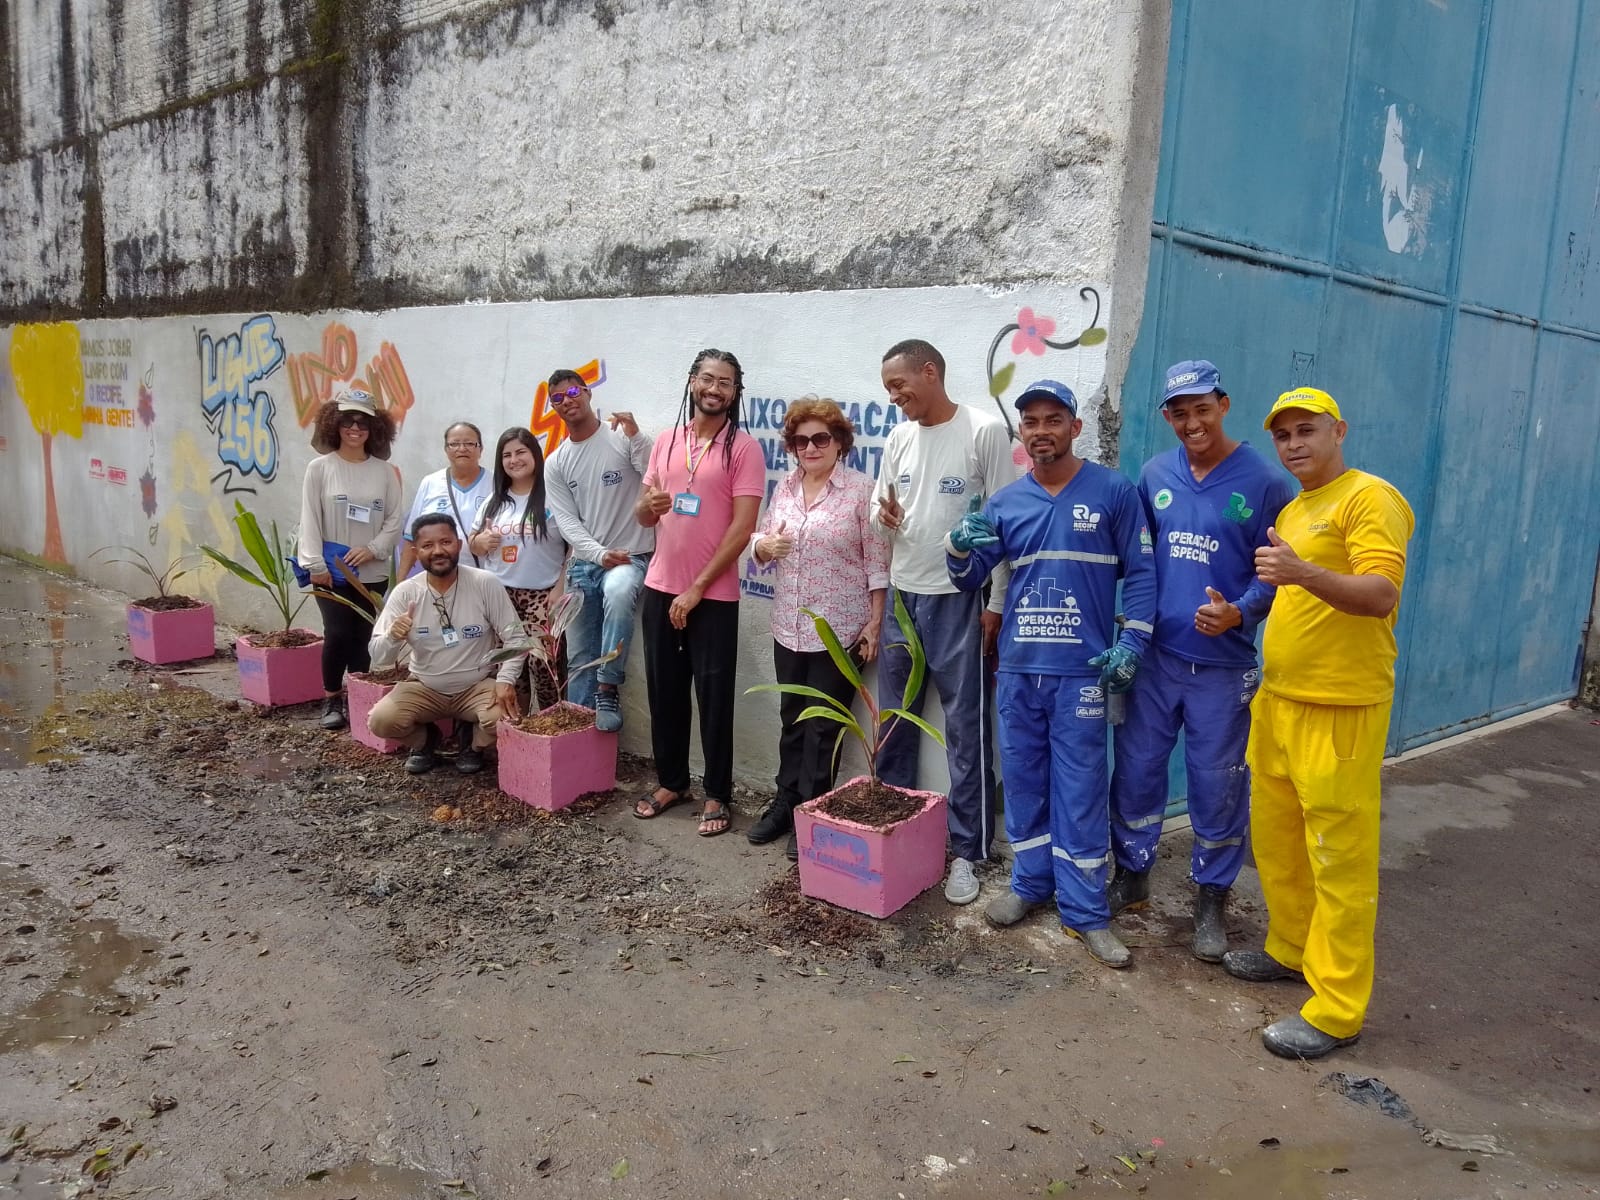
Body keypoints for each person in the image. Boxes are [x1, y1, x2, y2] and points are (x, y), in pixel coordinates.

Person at [1222, 388, 1414, 1059]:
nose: (1294, 444)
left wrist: (1302, 571)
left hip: (1339, 708)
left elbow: (1381, 592)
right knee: (1279, 843)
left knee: (1339, 859)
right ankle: (1292, 949)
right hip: (1280, 703)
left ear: (1338, 430)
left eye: (1307, 431)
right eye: (1283, 436)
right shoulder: (1299, 508)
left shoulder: (1369, 498)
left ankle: (1337, 1009)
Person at [945, 379, 1156, 967]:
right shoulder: (1007, 502)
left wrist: (1132, 642)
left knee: (1082, 791)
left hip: (1082, 674)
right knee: (1026, 783)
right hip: (1017, 669)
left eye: (1053, 419)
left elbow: (1141, 574)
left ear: (1074, 428)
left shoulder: (1113, 491)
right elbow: (968, 579)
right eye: (1031, 421)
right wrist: (961, 549)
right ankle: (1029, 885)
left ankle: (1087, 912)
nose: (1042, 430)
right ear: (1024, 434)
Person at [1106, 360, 1296, 961]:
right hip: (1159, 659)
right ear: (1167, 416)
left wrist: (1240, 611)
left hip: (1222, 666)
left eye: (1202, 408)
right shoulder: (1155, 473)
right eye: (1179, 411)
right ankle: (1132, 873)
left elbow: (1278, 571)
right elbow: (1140, 559)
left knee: (1217, 784)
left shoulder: (1266, 483)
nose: (1192, 421)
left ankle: (1210, 896)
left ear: (1224, 404)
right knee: (1137, 771)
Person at [871, 339, 1014, 905]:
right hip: (905, 597)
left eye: (899, 384)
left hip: (960, 600)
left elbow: (1003, 527)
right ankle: (897, 832)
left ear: (930, 372)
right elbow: (880, 519)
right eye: (887, 388)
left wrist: (995, 603)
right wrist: (883, 518)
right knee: (895, 722)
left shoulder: (983, 431)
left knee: (966, 730)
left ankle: (968, 853)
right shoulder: (898, 438)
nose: (894, 396)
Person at [747, 396, 889, 860]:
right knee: (792, 719)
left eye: (820, 438)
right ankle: (785, 801)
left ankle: (813, 812)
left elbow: (877, 563)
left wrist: (874, 622)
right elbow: (761, 543)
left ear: (840, 443)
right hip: (788, 623)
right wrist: (763, 546)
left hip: (839, 629)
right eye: (801, 440)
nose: (810, 447)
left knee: (824, 727)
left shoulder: (860, 491)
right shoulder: (785, 488)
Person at [631, 349, 764, 838]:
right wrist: (646, 505)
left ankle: (717, 793)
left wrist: (698, 588)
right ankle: (671, 783)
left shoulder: (744, 449)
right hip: (660, 586)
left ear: (735, 392)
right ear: (691, 382)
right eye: (707, 379)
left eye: (725, 382)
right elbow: (644, 516)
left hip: (714, 595)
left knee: (714, 697)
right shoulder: (666, 442)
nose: (715, 388)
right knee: (664, 691)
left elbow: (744, 525)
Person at [366, 514, 526, 775]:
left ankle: (471, 746)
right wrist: (393, 636)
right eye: (428, 546)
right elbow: (378, 656)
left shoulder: (484, 583)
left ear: (459, 545)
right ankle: (427, 742)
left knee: (506, 719)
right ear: (416, 553)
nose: (438, 551)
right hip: (425, 687)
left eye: (445, 542)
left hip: (476, 686)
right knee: (382, 721)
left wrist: (505, 680)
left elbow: (516, 638)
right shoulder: (405, 592)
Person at [543, 369, 654, 732]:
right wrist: (598, 554)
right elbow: (568, 523)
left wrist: (636, 435)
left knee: (620, 592)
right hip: (584, 565)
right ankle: (577, 734)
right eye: (557, 398)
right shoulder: (556, 462)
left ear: (587, 392)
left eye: (572, 391)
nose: (566, 401)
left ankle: (608, 685)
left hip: (631, 556)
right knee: (578, 657)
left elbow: (652, 473)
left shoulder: (621, 438)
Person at [299, 387, 402, 731]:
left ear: (375, 429)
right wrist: (315, 565)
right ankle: (331, 698)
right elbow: (309, 518)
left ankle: (358, 697)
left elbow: (393, 520)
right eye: (348, 421)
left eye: (363, 422)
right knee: (337, 632)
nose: (355, 429)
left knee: (364, 637)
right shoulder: (319, 468)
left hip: (371, 571)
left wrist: (373, 548)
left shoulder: (385, 472)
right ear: (335, 424)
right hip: (332, 572)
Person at [468, 428, 569, 713]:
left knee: (544, 663)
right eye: (507, 455)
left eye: (521, 452)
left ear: (535, 455)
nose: (514, 460)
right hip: (501, 595)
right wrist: (480, 542)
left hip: (543, 595)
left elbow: (572, 545)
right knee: (511, 665)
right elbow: (473, 543)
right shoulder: (495, 501)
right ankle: (518, 726)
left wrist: (561, 587)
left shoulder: (553, 497)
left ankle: (552, 722)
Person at [398, 422, 493, 577]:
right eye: (454, 444)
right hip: (440, 579)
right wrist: (400, 584)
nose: (462, 449)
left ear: (480, 449)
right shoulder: (430, 483)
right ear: (446, 450)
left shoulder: (496, 484)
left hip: (484, 579)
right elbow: (411, 538)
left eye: (469, 443)